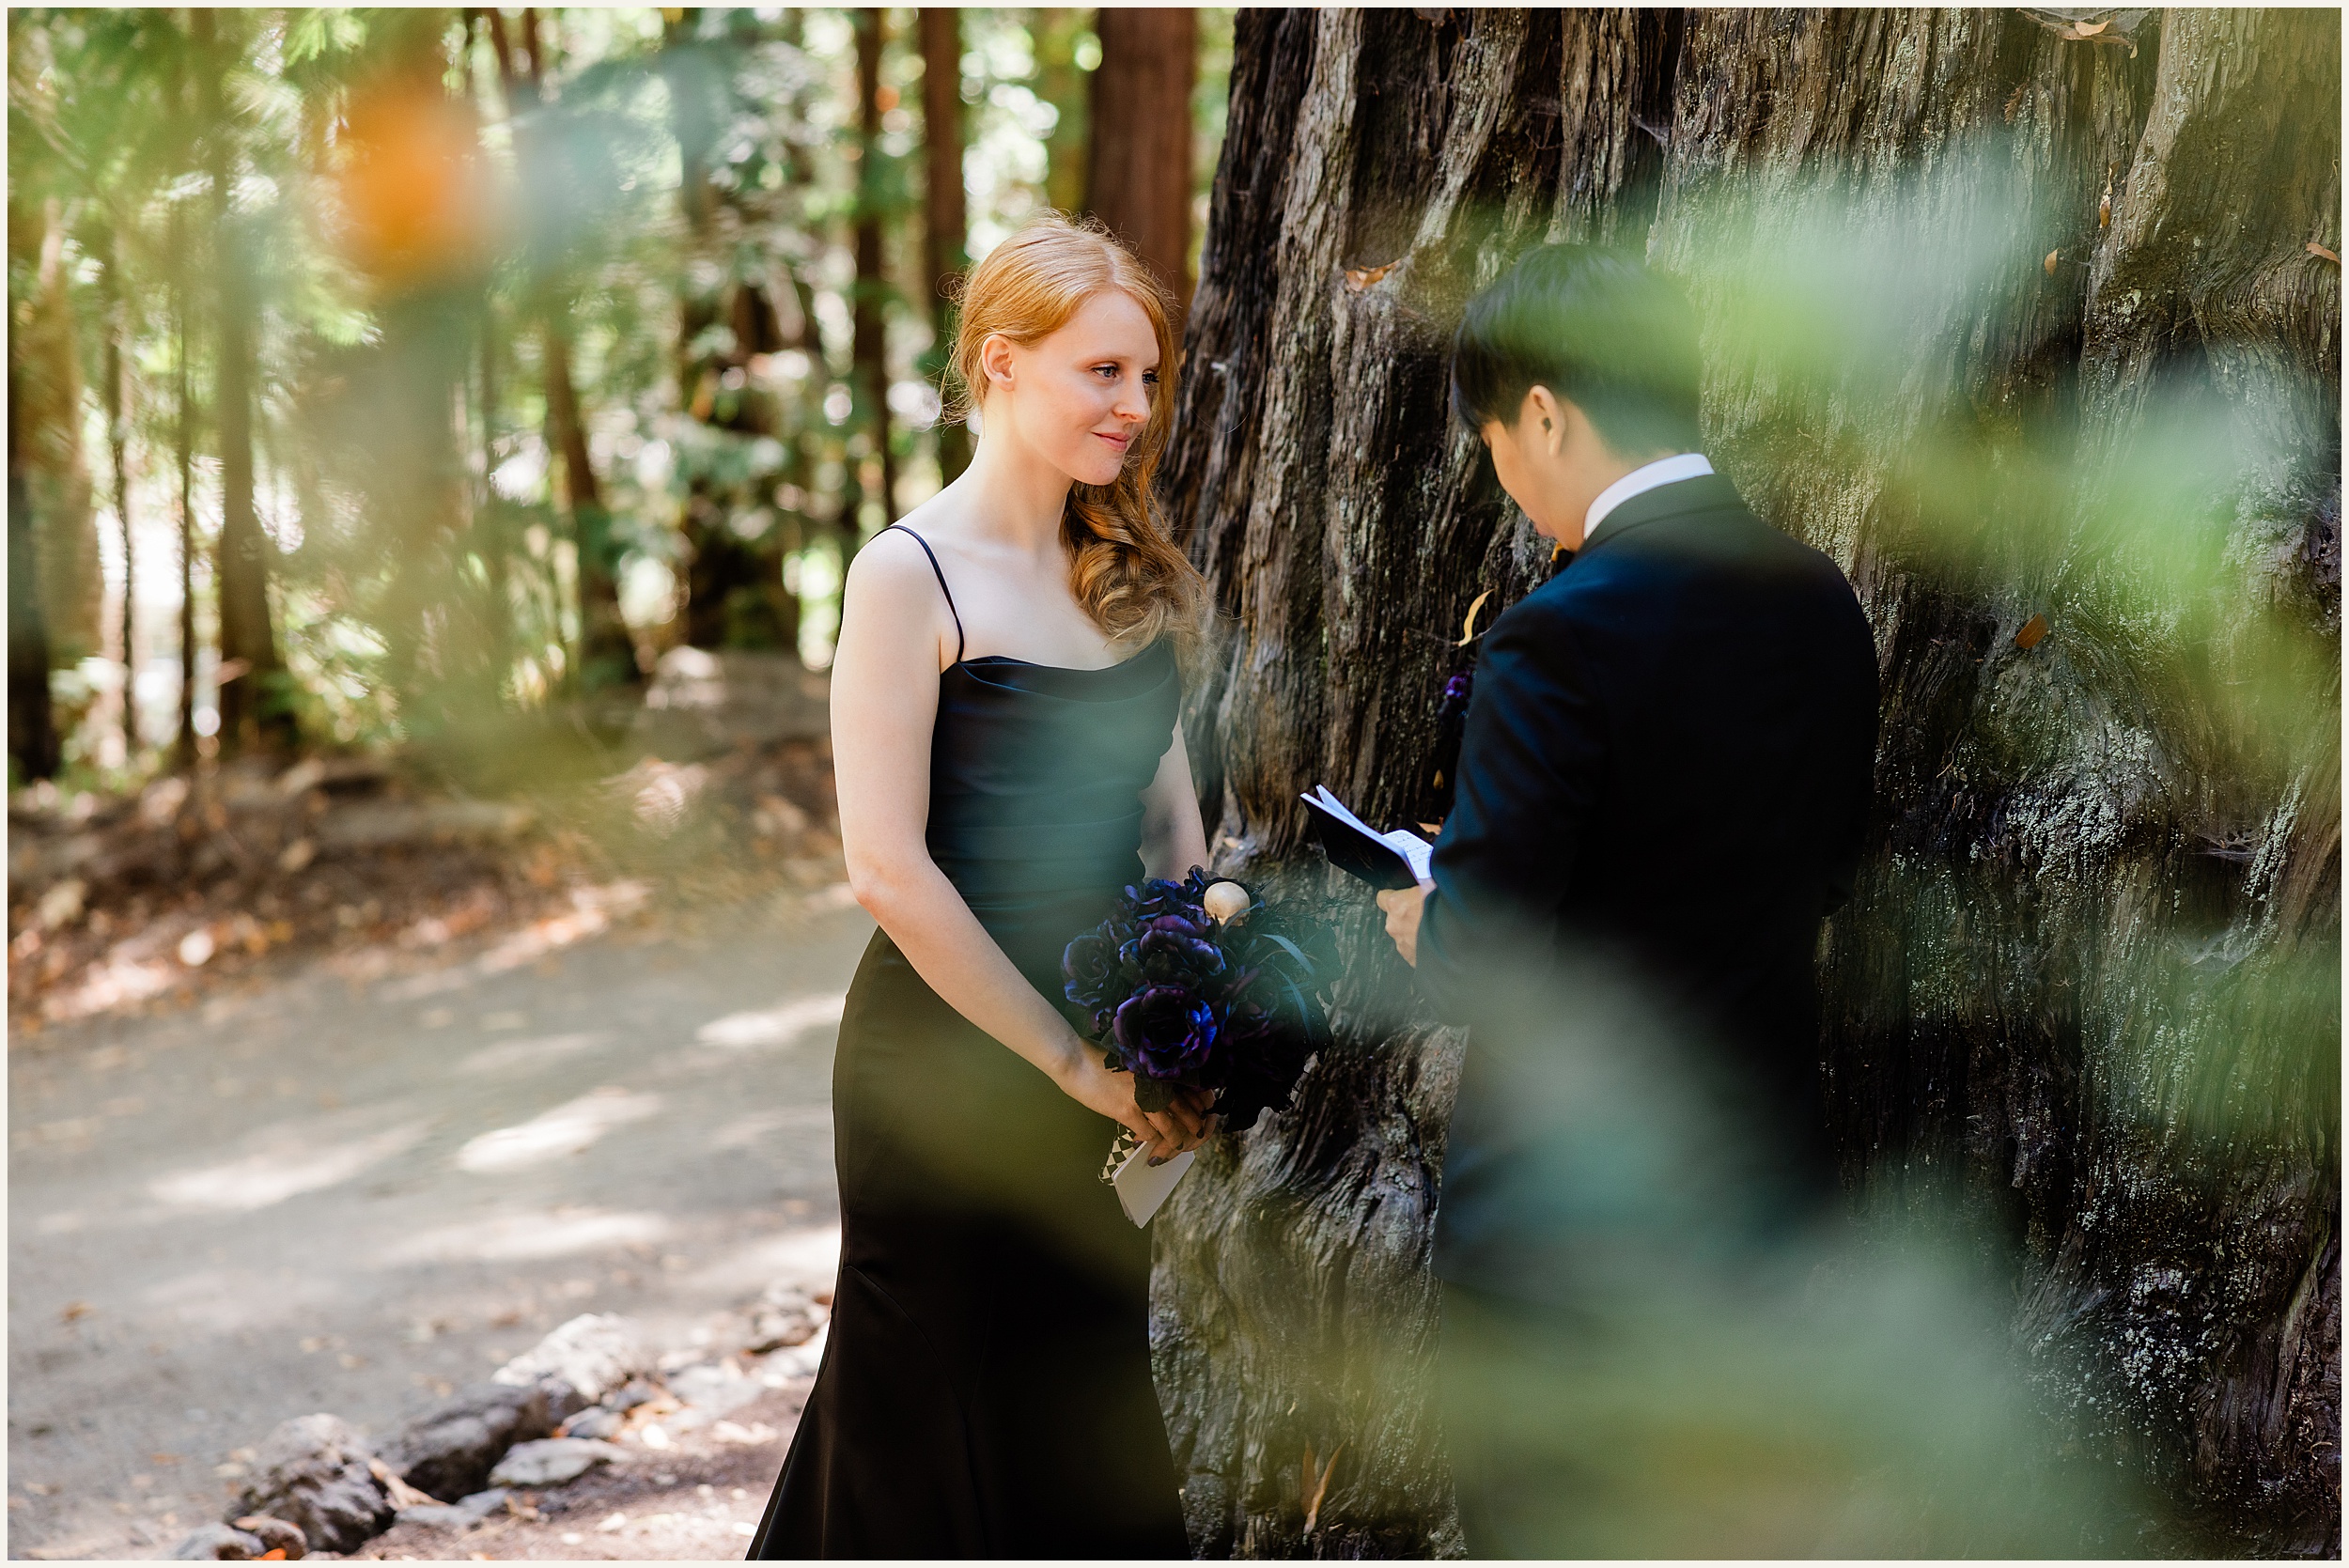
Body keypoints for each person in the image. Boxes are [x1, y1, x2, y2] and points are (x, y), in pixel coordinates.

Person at [1375, 244, 1881, 1553]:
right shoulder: (1821, 599)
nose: (1502, 471)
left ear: (1542, 411)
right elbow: (1822, 871)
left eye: (1493, 437)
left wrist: (1433, 911)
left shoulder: (1558, 633)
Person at [749, 213, 1209, 1559]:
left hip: (1105, 1059)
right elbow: (886, 867)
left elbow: (1172, 817)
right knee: (927, 1426)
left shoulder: (1121, 571)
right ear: (1002, 364)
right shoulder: (907, 575)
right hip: (942, 1066)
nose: (1135, 407)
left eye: (1147, 377)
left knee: (1080, 1406)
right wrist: (1067, 1061)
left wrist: (1184, 1003)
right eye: (1103, 372)